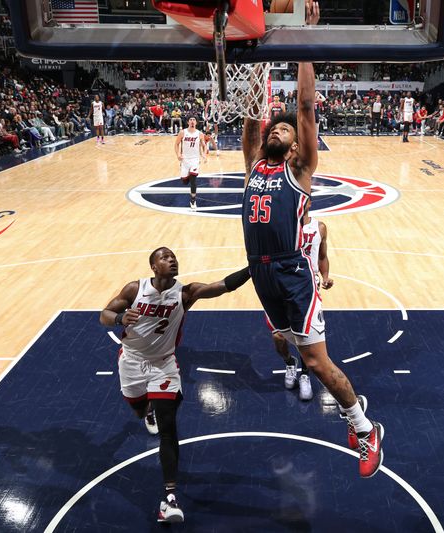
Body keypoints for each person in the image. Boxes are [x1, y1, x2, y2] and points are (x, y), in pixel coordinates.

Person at [241, 0, 384, 479]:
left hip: (291, 272)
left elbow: (304, 105)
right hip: (261, 273)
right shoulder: (253, 167)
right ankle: (294, 373)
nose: (279, 130)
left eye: (287, 129)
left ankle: (363, 427)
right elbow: (250, 118)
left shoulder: (300, 171)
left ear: (300, 145)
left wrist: (301, 40)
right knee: (284, 342)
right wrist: (250, 45)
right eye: (273, 127)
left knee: (319, 364)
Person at [100, 247, 250, 523]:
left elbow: (223, 286)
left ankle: (169, 498)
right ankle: (146, 411)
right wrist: (120, 318)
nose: (172, 260)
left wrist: (253, 268)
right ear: (153, 266)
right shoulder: (135, 289)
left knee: (168, 429)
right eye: (165, 257)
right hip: (131, 361)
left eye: (173, 257)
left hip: (164, 364)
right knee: (138, 408)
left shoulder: (185, 293)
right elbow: (105, 314)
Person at [272, 200, 333, 401]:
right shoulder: (282, 225)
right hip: (283, 284)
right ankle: (290, 363)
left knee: (305, 338)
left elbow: (322, 256)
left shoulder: (320, 227)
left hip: (308, 288)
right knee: (279, 337)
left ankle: (305, 374)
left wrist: (325, 277)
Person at [174, 116, 207, 211]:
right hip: (185, 160)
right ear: (188, 122)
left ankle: (193, 200)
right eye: (191, 120)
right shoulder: (183, 132)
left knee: (193, 179)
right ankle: (187, 174)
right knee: (185, 181)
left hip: (195, 160)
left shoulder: (200, 134)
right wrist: (178, 154)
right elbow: (176, 144)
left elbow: (204, 146)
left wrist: (204, 154)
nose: (192, 121)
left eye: (194, 120)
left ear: (196, 122)